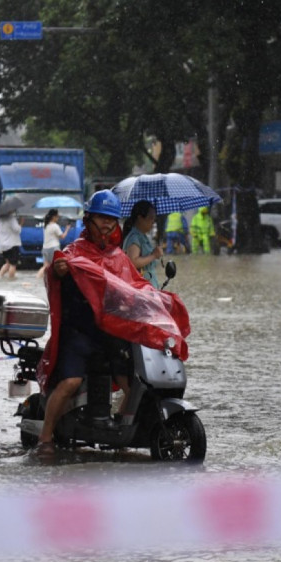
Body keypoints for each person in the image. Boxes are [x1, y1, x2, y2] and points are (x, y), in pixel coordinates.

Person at [36, 190, 190, 456]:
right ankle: (46, 436)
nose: (107, 224)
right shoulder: (74, 252)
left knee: (134, 384)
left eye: (111, 219)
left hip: (110, 333)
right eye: (101, 218)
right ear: (89, 219)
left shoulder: (119, 258)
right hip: (79, 333)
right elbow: (57, 267)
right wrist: (59, 270)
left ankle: (119, 431)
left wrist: (159, 301)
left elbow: (136, 287)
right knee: (71, 382)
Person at [122, 199, 164, 289]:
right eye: (151, 218)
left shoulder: (143, 236)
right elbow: (133, 262)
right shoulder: (134, 237)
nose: (153, 222)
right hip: (142, 290)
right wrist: (153, 255)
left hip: (149, 286)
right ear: (140, 218)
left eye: (154, 219)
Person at [37, 208, 69, 280]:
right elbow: (62, 236)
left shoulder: (46, 225)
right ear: (54, 217)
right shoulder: (55, 226)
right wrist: (67, 229)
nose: (58, 218)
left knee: (45, 266)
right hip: (54, 248)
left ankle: (38, 278)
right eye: (57, 216)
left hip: (45, 248)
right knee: (56, 267)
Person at [0, 207, 21, 279]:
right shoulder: (11, 219)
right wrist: (21, 224)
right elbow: (17, 230)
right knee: (13, 264)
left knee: (7, 263)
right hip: (12, 245)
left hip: (3, 246)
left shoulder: (0, 220)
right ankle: (11, 279)